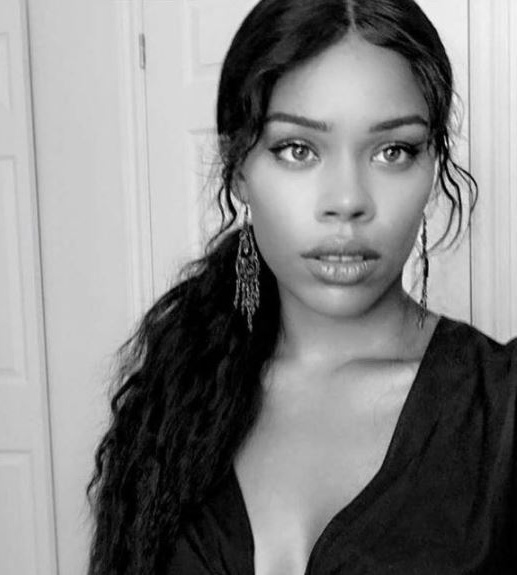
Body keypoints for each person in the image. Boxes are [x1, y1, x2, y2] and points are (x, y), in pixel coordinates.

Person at [87, 0, 517, 573]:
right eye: (298, 150)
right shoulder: (169, 401)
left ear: (433, 165)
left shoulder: (501, 409)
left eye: (393, 151)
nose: (347, 200)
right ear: (238, 168)